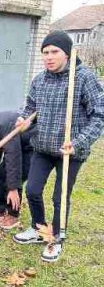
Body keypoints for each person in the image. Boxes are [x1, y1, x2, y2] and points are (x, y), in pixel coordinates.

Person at [14, 30, 104, 262]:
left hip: (70, 151)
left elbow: (99, 116)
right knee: (33, 190)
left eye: (55, 52)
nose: (49, 57)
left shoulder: (84, 78)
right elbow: (30, 107)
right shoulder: (39, 80)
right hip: (43, 147)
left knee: (59, 196)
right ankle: (37, 227)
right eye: (45, 52)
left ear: (67, 53)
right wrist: (25, 120)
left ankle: (56, 237)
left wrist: (78, 142)